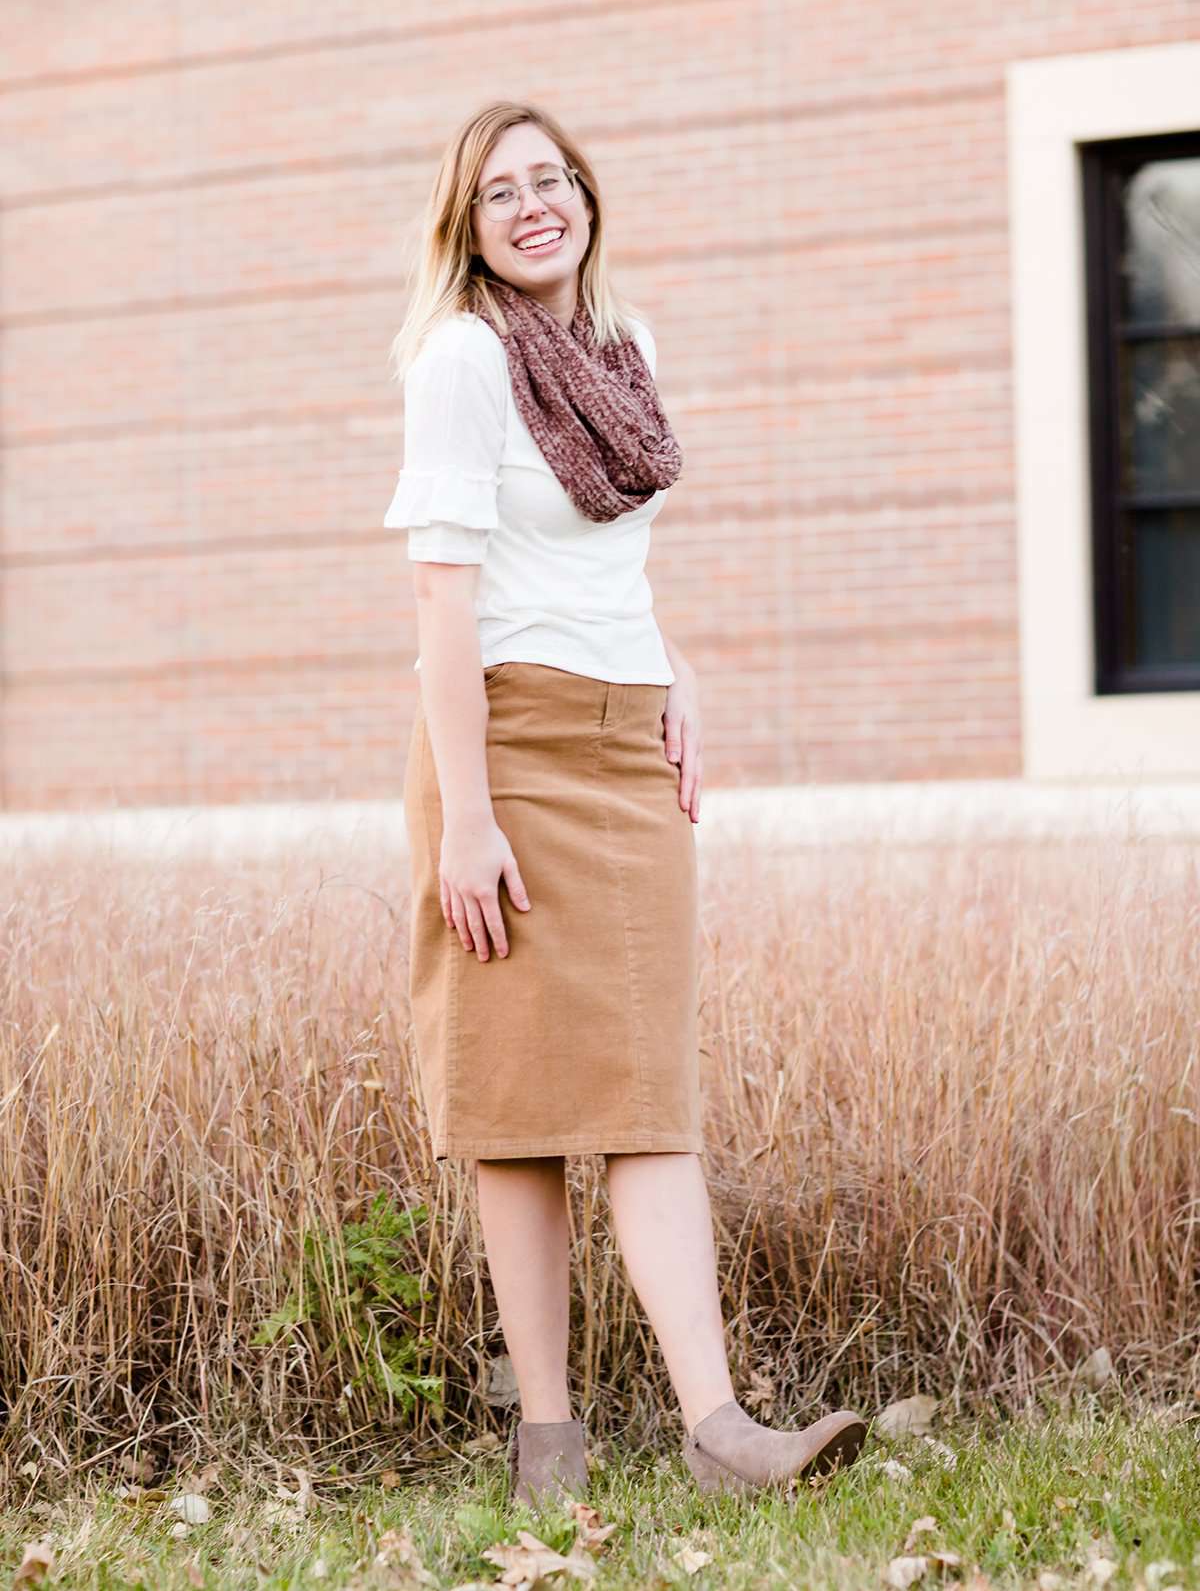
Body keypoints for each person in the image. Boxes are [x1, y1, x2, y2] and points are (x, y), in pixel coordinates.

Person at [385, 100, 866, 1506]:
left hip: (624, 748)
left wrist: (676, 668)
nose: (536, 205)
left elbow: (606, 564)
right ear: (466, 228)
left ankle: (720, 1431)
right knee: (519, 1108)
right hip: (507, 749)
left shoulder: (626, 347)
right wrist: (467, 818)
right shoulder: (465, 359)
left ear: (586, 196)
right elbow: (443, 599)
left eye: (553, 180)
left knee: (652, 1098)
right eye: (501, 193)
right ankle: (550, 1446)